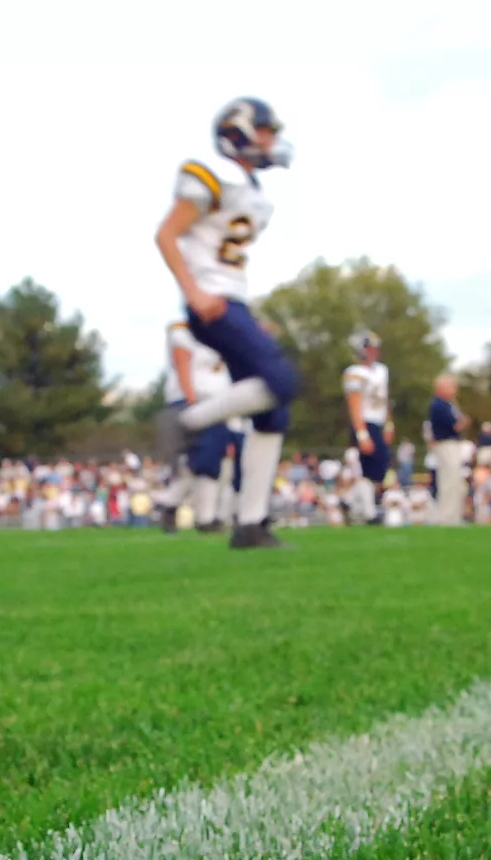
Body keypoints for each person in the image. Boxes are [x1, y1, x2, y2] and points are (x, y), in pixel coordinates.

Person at [156, 98, 296, 549]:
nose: (271, 140)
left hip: (232, 299)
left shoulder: (253, 193)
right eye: (264, 130)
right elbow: (166, 234)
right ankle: (189, 422)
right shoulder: (213, 173)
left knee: (273, 413)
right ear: (239, 133)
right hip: (212, 303)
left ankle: (251, 524)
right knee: (284, 381)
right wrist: (194, 292)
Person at [155, 321, 240, 533]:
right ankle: (196, 514)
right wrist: (192, 401)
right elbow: (182, 364)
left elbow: (219, 366)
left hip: (215, 403)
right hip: (194, 402)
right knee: (201, 461)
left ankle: (184, 509)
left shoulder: (213, 337)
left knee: (209, 463)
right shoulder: (183, 332)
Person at [341, 329, 393, 524]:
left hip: (378, 421)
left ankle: (347, 500)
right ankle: (369, 513)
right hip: (364, 422)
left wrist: (388, 422)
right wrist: (361, 433)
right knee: (369, 468)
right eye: (369, 347)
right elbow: (354, 405)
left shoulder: (382, 370)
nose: (373, 351)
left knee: (380, 467)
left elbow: (384, 399)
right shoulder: (353, 373)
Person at [426, 374, 469, 525]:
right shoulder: (439, 405)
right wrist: (462, 422)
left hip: (452, 444)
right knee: (449, 480)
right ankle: (447, 516)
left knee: (454, 480)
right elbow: (454, 425)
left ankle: (454, 515)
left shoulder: (449, 404)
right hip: (446, 443)